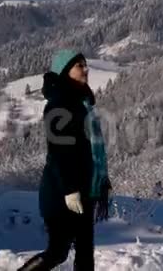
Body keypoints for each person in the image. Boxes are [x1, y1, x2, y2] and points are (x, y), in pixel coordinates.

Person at [18, 50, 112, 271]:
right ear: (65, 71)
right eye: (79, 65)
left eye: (85, 64)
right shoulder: (60, 103)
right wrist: (70, 190)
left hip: (84, 187)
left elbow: (90, 149)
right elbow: (59, 150)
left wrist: (100, 180)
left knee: (85, 252)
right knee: (58, 251)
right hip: (63, 190)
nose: (85, 69)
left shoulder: (81, 102)